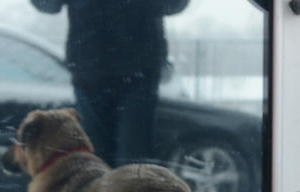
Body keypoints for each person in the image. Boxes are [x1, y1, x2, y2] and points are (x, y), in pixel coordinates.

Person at [30, 0, 189, 167]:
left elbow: (48, 5)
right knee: (128, 157)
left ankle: (113, 188)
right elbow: (174, 6)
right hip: (127, 71)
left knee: (105, 157)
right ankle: (120, 188)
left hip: (106, 70)